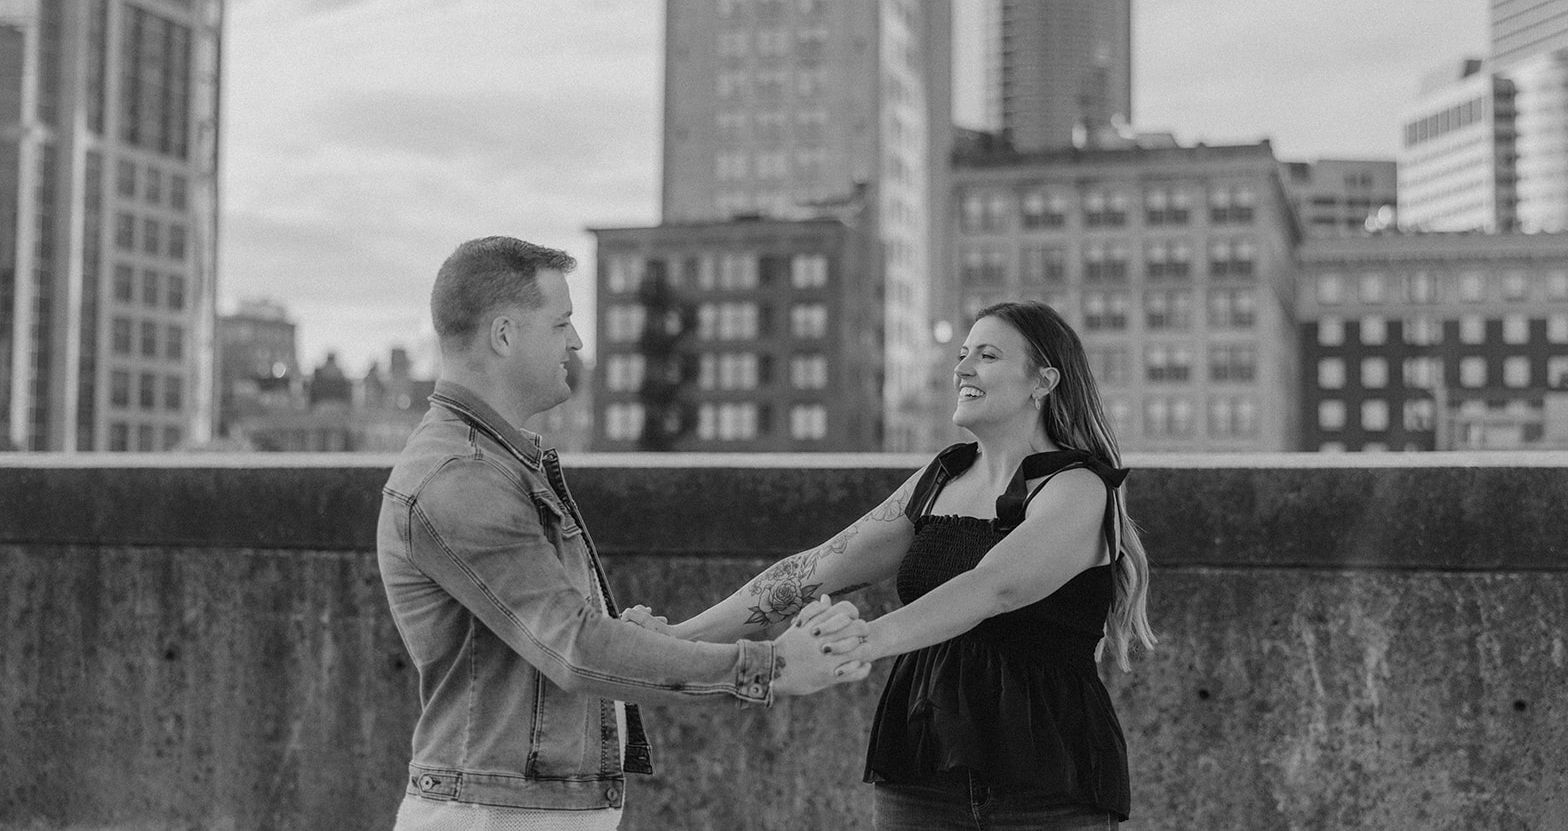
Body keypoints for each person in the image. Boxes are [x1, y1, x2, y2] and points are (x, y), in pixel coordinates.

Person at [377, 236, 870, 831]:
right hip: (494, 814)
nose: (577, 342)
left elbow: (545, 641)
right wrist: (771, 667)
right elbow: (575, 648)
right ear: (504, 335)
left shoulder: (496, 463)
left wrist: (623, 637)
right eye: (561, 324)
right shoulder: (462, 477)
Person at [625, 300, 1155, 829]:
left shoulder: (1080, 488)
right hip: (922, 762)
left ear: (1044, 380)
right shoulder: (941, 477)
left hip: (1047, 773)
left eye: (987, 356)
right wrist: (678, 639)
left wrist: (862, 641)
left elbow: (994, 587)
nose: (962, 369)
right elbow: (813, 570)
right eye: (964, 354)